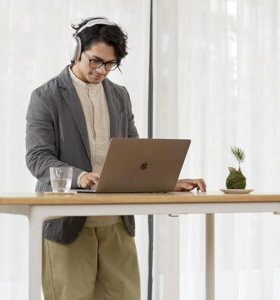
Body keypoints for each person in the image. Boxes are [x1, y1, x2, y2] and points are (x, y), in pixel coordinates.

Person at [26, 17, 206, 300]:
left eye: (110, 65)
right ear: (76, 50)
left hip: (116, 222)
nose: (102, 70)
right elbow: (38, 158)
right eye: (96, 61)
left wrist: (169, 181)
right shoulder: (46, 96)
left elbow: (134, 155)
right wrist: (80, 177)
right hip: (68, 223)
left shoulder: (120, 96)